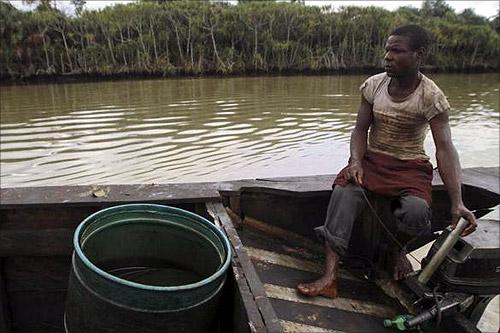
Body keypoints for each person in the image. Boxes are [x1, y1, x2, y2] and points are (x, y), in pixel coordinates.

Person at [296, 25, 477, 299]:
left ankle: (396, 250)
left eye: (397, 50)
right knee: (344, 192)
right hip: (372, 161)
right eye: (387, 50)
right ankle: (329, 276)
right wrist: (356, 161)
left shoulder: (432, 97)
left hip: (410, 168)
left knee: (415, 212)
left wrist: (457, 202)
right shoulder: (373, 85)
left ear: (419, 55)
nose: (388, 56)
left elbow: (445, 149)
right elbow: (359, 130)